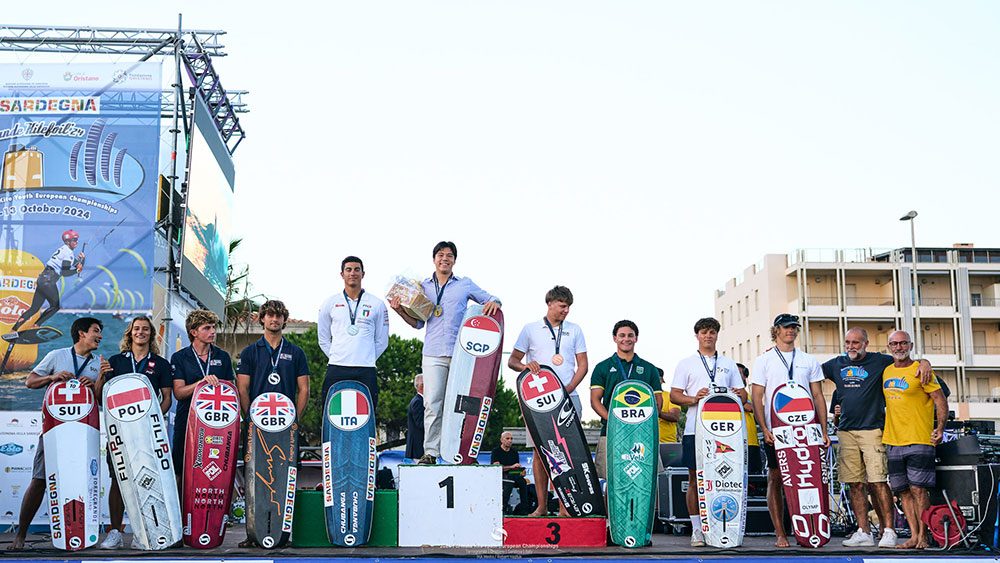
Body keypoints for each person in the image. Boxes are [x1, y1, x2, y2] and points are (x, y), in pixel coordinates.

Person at [390, 242, 501, 464]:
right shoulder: (421, 286)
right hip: (432, 352)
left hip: (463, 353)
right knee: (432, 403)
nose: (445, 259)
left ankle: (464, 453)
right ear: (434, 259)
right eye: (441, 255)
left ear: (454, 261)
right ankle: (431, 452)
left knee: (464, 403)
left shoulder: (464, 284)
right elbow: (417, 324)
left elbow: (493, 299)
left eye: (449, 256)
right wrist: (400, 310)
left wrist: (493, 304)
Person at [823, 327, 932, 548]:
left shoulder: (879, 361)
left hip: (873, 429)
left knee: (878, 482)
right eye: (848, 342)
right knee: (854, 484)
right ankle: (863, 531)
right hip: (845, 431)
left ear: (866, 343)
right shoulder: (836, 364)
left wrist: (924, 361)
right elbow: (809, 373)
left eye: (856, 342)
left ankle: (889, 530)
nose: (851, 346)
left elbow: (903, 357)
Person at [8, 317, 107, 551]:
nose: (100, 336)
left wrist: (98, 381)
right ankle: (21, 534)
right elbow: (30, 382)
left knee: (84, 480)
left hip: (84, 433)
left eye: (101, 331)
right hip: (54, 430)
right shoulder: (57, 355)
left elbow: (101, 400)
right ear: (82, 333)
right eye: (96, 331)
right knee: (40, 479)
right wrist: (51, 378)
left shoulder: (98, 363)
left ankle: (81, 534)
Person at [750, 313, 828, 548]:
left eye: (794, 327)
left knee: (809, 478)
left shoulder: (808, 359)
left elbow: (817, 395)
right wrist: (764, 428)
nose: (790, 331)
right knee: (776, 478)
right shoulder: (763, 361)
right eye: (785, 328)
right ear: (776, 330)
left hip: (806, 429)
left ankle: (809, 528)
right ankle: (780, 533)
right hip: (778, 429)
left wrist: (823, 430)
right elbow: (757, 396)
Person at [236, 299, 309, 548]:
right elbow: (242, 389)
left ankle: (284, 533)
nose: (274, 320)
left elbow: (304, 389)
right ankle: (252, 532)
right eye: (270, 315)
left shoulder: (296, 353)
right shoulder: (250, 352)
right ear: (262, 319)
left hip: (285, 426)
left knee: (285, 475)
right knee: (254, 476)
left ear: (284, 320)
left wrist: (294, 420)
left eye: (279, 316)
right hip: (257, 425)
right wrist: (251, 419)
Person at [508, 285, 586, 517]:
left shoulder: (575, 329)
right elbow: (512, 361)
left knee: (568, 453)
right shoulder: (530, 329)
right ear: (550, 303)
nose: (566, 311)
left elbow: (583, 365)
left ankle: (566, 507)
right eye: (563, 306)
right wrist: (526, 367)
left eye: (569, 307)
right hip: (537, 401)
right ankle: (541, 506)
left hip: (568, 398)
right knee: (540, 454)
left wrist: (568, 389)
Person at [95, 316, 172, 550]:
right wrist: (100, 376)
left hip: (147, 434)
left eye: (145, 329)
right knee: (118, 481)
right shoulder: (116, 361)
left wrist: (154, 421)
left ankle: (145, 532)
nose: (141, 332)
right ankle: (115, 532)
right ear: (130, 333)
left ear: (151, 334)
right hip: (120, 433)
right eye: (137, 329)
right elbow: (101, 398)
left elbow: (167, 398)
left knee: (148, 481)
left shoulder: (160, 364)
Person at [669, 317, 746, 547]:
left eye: (712, 332)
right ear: (697, 336)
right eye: (704, 332)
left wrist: (733, 394)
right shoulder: (686, 363)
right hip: (696, 429)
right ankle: (697, 530)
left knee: (725, 477)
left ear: (717, 335)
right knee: (694, 479)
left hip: (725, 432)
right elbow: (674, 395)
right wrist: (695, 398)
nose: (708, 336)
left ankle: (724, 528)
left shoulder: (729, 363)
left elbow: (744, 395)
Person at [883, 330, 948, 550]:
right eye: (894, 344)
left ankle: (924, 535)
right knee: (903, 491)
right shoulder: (886, 371)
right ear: (889, 347)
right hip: (893, 440)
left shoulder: (921, 370)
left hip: (919, 438)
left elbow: (940, 400)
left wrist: (940, 428)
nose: (899, 347)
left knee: (919, 490)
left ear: (910, 345)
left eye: (903, 343)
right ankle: (912, 535)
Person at [590, 320, 663, 481]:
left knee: (646, 480)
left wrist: (641, 422)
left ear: (636, 338)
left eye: (630, 335)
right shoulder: (602, 367)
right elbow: (595, 401)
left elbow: (658, 402)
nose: (626, 339)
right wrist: (617, 421)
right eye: (622, 335)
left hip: (643, 433)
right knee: (612, 480)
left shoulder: (649, 368)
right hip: (611, 432)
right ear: (614, 338)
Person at [171, 309, 235, 487]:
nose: (213, 331)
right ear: (193, 332)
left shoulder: (222, 357)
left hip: (216, 425)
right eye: (207, 328)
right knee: (181, 471)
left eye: (214, 327)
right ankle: (181, 514)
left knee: (215, 470)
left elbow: (231, 391)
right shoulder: (180, 357)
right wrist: (201, 384)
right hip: (187, 423)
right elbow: (179, 393)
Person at [318, 256, 389, 411]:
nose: (353, 273)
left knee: (366, 414)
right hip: (337, 367)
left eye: (357, 269)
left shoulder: (377, 304)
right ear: (342, 274)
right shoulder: (329, 303)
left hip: (365, 369)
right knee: (332, 413)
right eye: (348, 269)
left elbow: (382, 341)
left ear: (363, 274)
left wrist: (366, 357)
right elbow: (323, 338)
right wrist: (337, 356)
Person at [9, 230, 85, 333]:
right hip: (49, 280)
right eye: (74, 240)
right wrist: (76, 270)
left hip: (42, 280)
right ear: (67, 241)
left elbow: (78, 266)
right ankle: (36, 325)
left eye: (77, 240)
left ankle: (13, 330)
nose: (77, 242)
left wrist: (82, 260)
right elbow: (65, 272)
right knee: (55, 306)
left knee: (34, 309)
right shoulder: (68, 253)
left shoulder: (64, 250)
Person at [492, 431, 529, 514]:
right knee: (509, 481)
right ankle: (503, 508)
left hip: (513, 474)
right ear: (501, 440)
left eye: (511, 439)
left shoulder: (514, 452)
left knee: (523, 482)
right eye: (507, 438)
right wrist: (511, 467)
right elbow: (496, 468)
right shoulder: (496, 451)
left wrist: (521, 471)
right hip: (501, 476)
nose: (510, 440)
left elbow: (516, 467)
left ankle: (524, 509)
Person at [737, 363, 763, 475]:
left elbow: (754, 409)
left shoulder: (747, 394)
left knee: (754, 475)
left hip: (752, 441)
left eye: (741, 373)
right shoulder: (733, 393)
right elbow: (749, 407)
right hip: (740, 442)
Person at [658, 368, 681, 444]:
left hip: (667, 443)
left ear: (661, 380)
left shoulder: (670, 396)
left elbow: (675, 417)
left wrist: (658, 413)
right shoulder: (642, 398)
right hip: (646, 444)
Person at [405, 374, 425, 460]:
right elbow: (420, 424)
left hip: (418, 448)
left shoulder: (419, 400)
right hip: (418, 448)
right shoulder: (418, 402)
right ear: (421, 386)